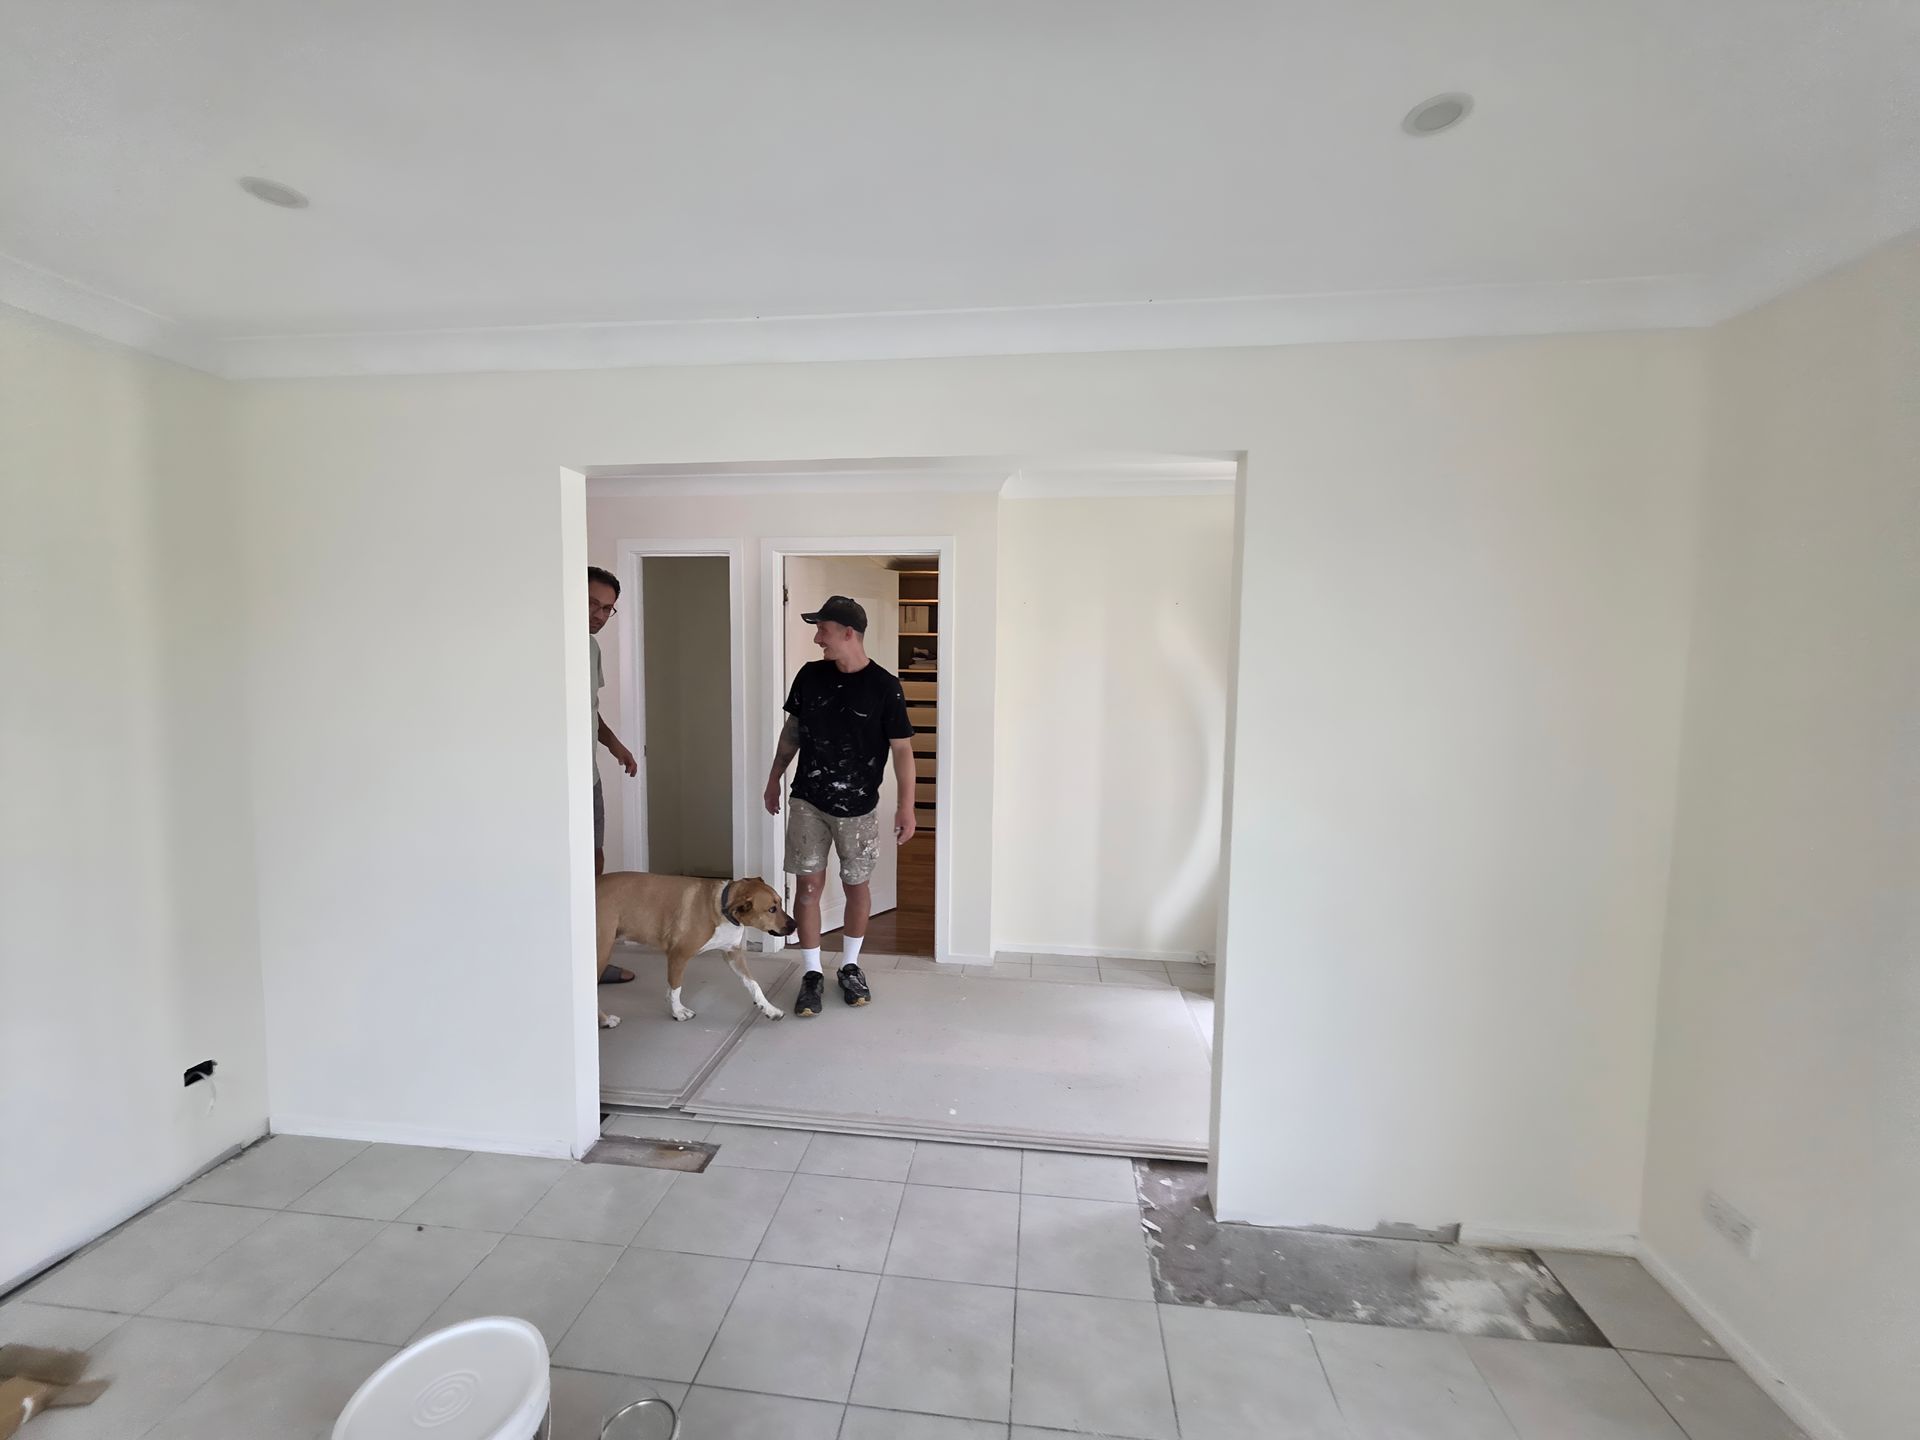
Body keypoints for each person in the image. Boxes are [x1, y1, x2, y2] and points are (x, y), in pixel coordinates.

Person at [763, 595, 916, 1017]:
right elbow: (791, 732)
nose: (817, 639)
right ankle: (811, 972)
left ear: (848, 633)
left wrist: (907, 807)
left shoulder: (885, 686)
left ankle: (849, 966)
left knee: (856, 887)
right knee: (808, 887)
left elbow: (902, 751)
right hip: (808, 800)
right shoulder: (810, 677)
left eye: (823, 630)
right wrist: (775, 777)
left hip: (860, 807)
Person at [588, 566, 639, 984]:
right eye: (592, 603)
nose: (600, 614)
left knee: (595, 862)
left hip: (588, 777)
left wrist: (615, 745)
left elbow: (590, 708)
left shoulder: (590, 648)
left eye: (608, 609)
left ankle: (593, 958)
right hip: (549, 783)